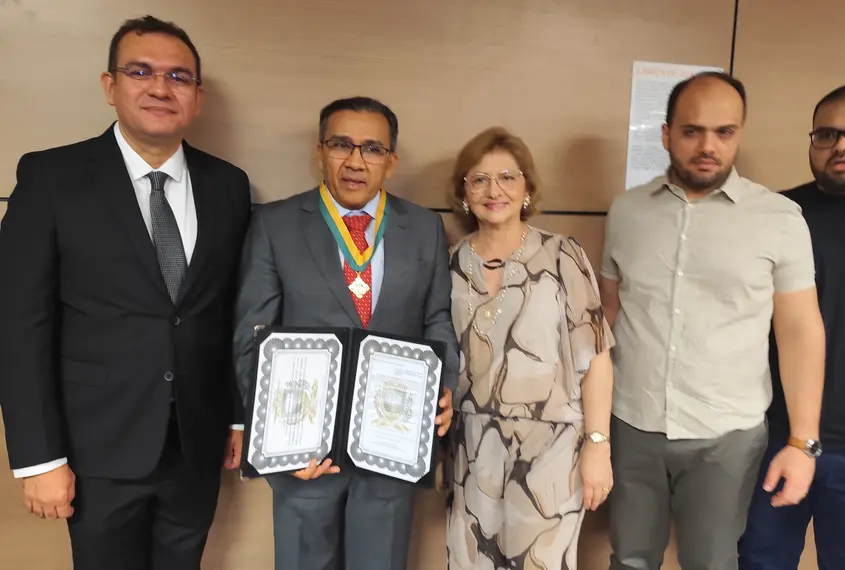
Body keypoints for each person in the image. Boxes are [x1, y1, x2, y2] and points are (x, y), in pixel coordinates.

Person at [0, 15, 250, 569]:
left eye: (179, 77)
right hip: (95, 448)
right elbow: (20, 325)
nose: (160, 87)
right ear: (110, 86)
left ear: (198, 97)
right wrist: (39, 458)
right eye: (140, 71)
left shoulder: (228, 186)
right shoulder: (51, 178)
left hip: (196, 444)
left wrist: (235, 416)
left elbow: (230, 312)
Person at [599, 71, 826, 570]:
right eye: (691, 131)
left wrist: (803, 443)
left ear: (740, 133)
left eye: (724, 132)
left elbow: (800, 332)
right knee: (630, 559)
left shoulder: (780, 218)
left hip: (726, 437)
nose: (708, 145)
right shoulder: (627, 211)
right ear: (665, 135)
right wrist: (590, 421)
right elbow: (607, 314)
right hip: (632, 422)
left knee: (712, 562)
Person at [232, 96, 459, 570]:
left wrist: (446, 385)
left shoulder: (424, 228)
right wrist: (277, 440)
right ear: (320, 152)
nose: (356, 161)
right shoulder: (274, 224)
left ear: (391, 161)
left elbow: (437, 319)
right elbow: (251, 337)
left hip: (389, 447)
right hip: (305, 453)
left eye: (373, 149)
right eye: (342, 145)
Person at [443, 127, 615, 570]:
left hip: (552, 449)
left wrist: (598, 445)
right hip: (471, 446)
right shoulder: (450, 263)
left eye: (507, 177)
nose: (493, 190)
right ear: (463, 192)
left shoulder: (562, 256)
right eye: (479, 179)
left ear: (526, 188)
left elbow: (596, 359)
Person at [738, 84, 845, 570]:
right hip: (776, 437)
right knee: (761, 561)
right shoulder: (775, 215)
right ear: (811, 142)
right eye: (827, 134)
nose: (842, 145)